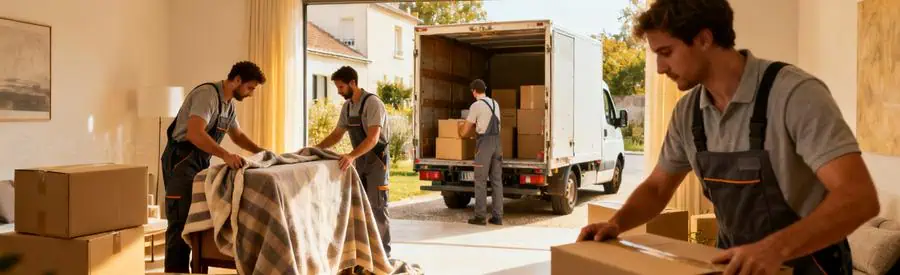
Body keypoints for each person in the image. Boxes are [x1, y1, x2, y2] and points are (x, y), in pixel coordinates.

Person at [577, 1, 880, 274]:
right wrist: (617, 224)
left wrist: (774, 249)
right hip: (735, 266)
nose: (659, 69)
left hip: (811, 266)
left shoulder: (794, 95)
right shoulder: (688, 113)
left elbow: (859, 198)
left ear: (704, 39)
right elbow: (657, 188)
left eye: (666, 53)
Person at [161, 61, 267, 273]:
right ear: (236, 80)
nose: (251, 93)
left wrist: (261, 151)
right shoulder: (207, 95)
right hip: (181, 160)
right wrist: (225, 155)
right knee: (180, 222)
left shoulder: (228, 104)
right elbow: (194, 133)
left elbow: (237, 136)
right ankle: (175, 271)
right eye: (250, 88)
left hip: (200, 161)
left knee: (195, 222)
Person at [316, 66, 392, 256]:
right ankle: (365, 253)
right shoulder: (348, 106)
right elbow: (336, 135)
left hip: (377, 162)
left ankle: (384, 254)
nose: (339, 91)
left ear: (353, 83)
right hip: (360, 161)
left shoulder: (373, 103)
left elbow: (373, 138)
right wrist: (315, 149)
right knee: (360, 207)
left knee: (378, 207)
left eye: (341, 87)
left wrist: (351, 156)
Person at [458, 79, 504, 226]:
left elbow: (465, 131)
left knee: (480, 181)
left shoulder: (476, 105)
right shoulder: (495, 104)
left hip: (484, 145)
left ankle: (480, 217)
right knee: (496, 181)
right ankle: (497, 217)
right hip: (497, 143)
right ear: (484, 89)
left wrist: (460, 129)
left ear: (473, 91)